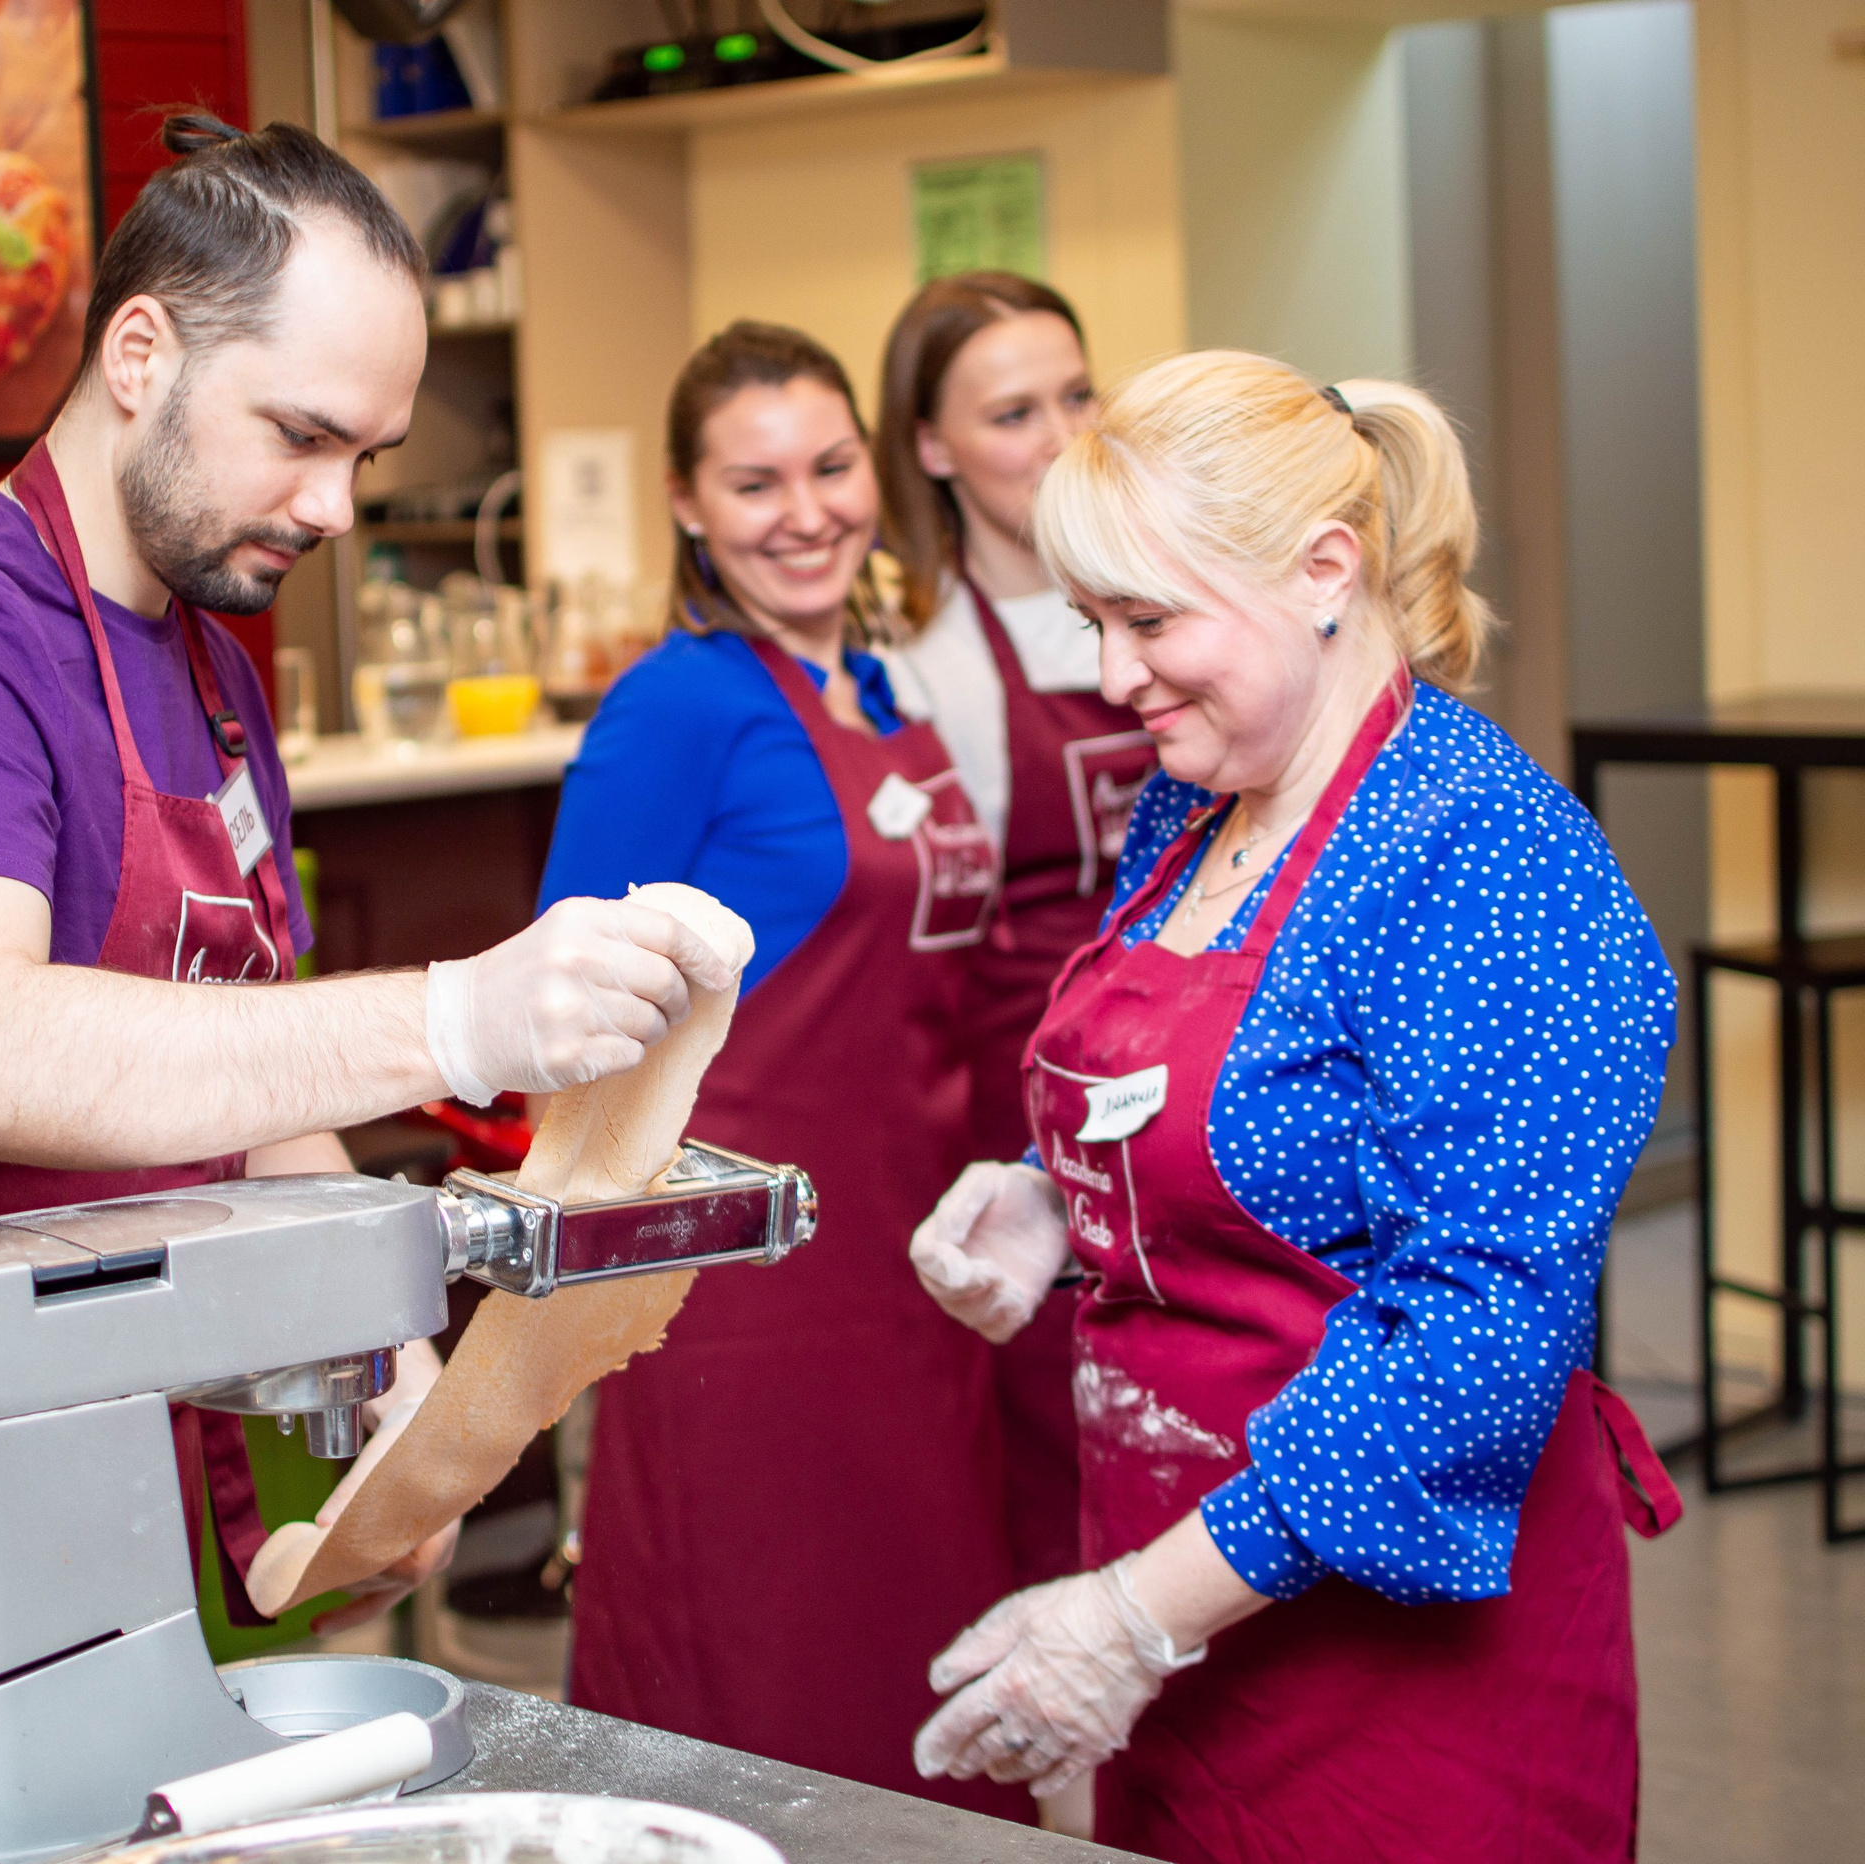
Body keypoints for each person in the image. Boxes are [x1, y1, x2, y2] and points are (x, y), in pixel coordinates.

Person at [0, 116, 733, 1859]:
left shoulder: (215, 674)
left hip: (107, 1410)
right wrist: (454, 1018)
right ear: (141, 353)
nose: (334, 508)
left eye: (367, 455)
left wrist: (394, 1369)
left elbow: (247, 1078)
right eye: (300, 437)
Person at [906, 350, 1682, 1862]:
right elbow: (1245, 1128)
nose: (1114, 677)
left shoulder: (1485, 858)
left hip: (1402, 1681)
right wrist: (1056, 1201)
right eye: (1093, 624)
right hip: (1183, 1632)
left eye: (1151, 620)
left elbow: (1478, 1338)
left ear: (1325, 570)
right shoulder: (1192, 805)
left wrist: (1136, 1617)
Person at [540, 321, 1032, 1821]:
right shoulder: (679, 707)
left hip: (915, 1267)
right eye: (756, 485)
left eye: (831, 469)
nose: (806, 513)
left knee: (916, 1675)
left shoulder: (882, 688)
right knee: (762, 1678)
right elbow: (562, 1019)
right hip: (748, 1291)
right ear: (688, 503)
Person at [873, 274, 1155, 1652]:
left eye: (1078, 394)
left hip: (1178, 1055)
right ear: (931, 447)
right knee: (1050, 1420)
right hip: (1016, 1082)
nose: (1061, 437)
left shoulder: (1169, 599)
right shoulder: (909, 654)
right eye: (1012, 413)